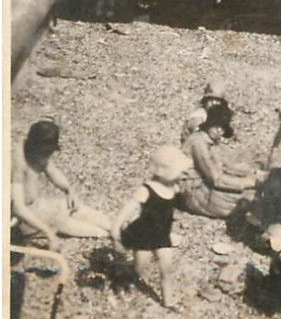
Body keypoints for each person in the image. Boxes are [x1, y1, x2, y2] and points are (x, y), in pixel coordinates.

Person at [112, 146, 192, 308]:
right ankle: (121, 283)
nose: (181, 176)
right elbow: (128, 208)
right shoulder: (146, 190)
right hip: (144, 235)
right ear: (165, 171)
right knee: (140, 267)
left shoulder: (173, 188)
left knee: (167, 267)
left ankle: (168, 300)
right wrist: (116, 227)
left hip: (162, 234)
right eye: (179, 172)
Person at [11, 120, 111, 248]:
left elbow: (52, 171)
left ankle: (115, 227)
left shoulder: (38, 152)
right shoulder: (17, 162)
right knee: (63, 221)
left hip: (37, 205)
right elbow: (18, 208)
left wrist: (69, 190)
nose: (48, 155)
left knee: (73, 206)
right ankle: (108, 234)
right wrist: (49, 235)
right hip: (23, 219)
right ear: (34, 146)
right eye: (46, 152)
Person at [177, 105, 259, 219]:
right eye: (217, 125)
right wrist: (249, 183)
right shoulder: (198, 142)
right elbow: (216, 179)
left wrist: (255, 173)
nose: (220, 131)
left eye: (223, 128)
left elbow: (227, 165)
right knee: (244, 201)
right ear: (209, 124)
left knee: (252, 195)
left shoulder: (211, 141)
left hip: (204, 185)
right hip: (193, 191)